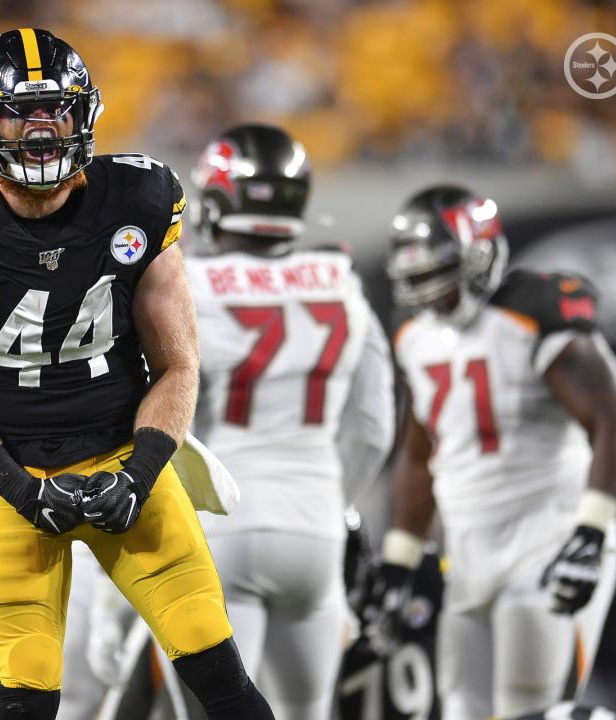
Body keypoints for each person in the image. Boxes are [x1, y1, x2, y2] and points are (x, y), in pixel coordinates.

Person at [0, 28, 275, 720]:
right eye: (18, 112)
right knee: (28, 699)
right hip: (10, 479)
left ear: (84, 114)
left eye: (56, 111)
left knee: (219, 677)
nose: (41, 130)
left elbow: (179, 366)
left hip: (125, 462)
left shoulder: (139, 198)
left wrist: (141, 472)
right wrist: (18, 488)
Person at [371, 185, 616, 719]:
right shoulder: (414, 336)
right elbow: (419, 455)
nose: (429, 299)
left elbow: (612, 422)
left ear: (479, 257)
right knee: (462, 711)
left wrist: (590, 532)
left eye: (437, 280)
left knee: (531, 708)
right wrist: (399, 564)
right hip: (467, 557)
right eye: (416, 283)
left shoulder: (535, 312)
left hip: (548, 542)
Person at [182, 123, 396, 718]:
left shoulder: (187, 282)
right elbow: (375, 423)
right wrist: (337, 498)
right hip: (316, 528)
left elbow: (163, 416)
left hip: (222, 527)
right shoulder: (341, 281)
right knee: (308, 710)